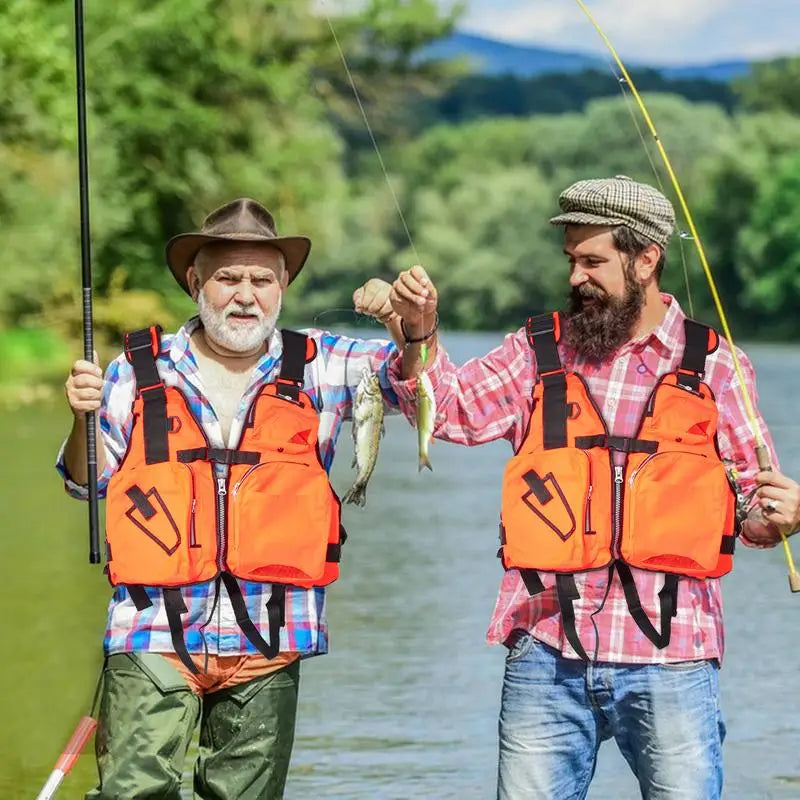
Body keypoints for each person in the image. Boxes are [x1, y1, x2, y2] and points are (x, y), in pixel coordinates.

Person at [360, 175, 800, 799]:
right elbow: (450, 411)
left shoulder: (718, 365)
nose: (575, 277)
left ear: (645, 259)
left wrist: (783, 515)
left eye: (593, 262)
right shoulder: (535, 350)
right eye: (571, 260)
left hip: (675, 657)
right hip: (546, 653)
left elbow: (752, 510)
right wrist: (418, 334)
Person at [59, 197, 402, 800]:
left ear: (283, 287)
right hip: (151, 631)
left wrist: (407, 322)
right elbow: (85, 484)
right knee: (133, 793)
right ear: (196, 284)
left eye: (262, 280)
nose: (246, 295)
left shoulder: (325, 365)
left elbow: (417, 383)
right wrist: (80, 419)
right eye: (228, 278)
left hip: (271, 636)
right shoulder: (135, 369)